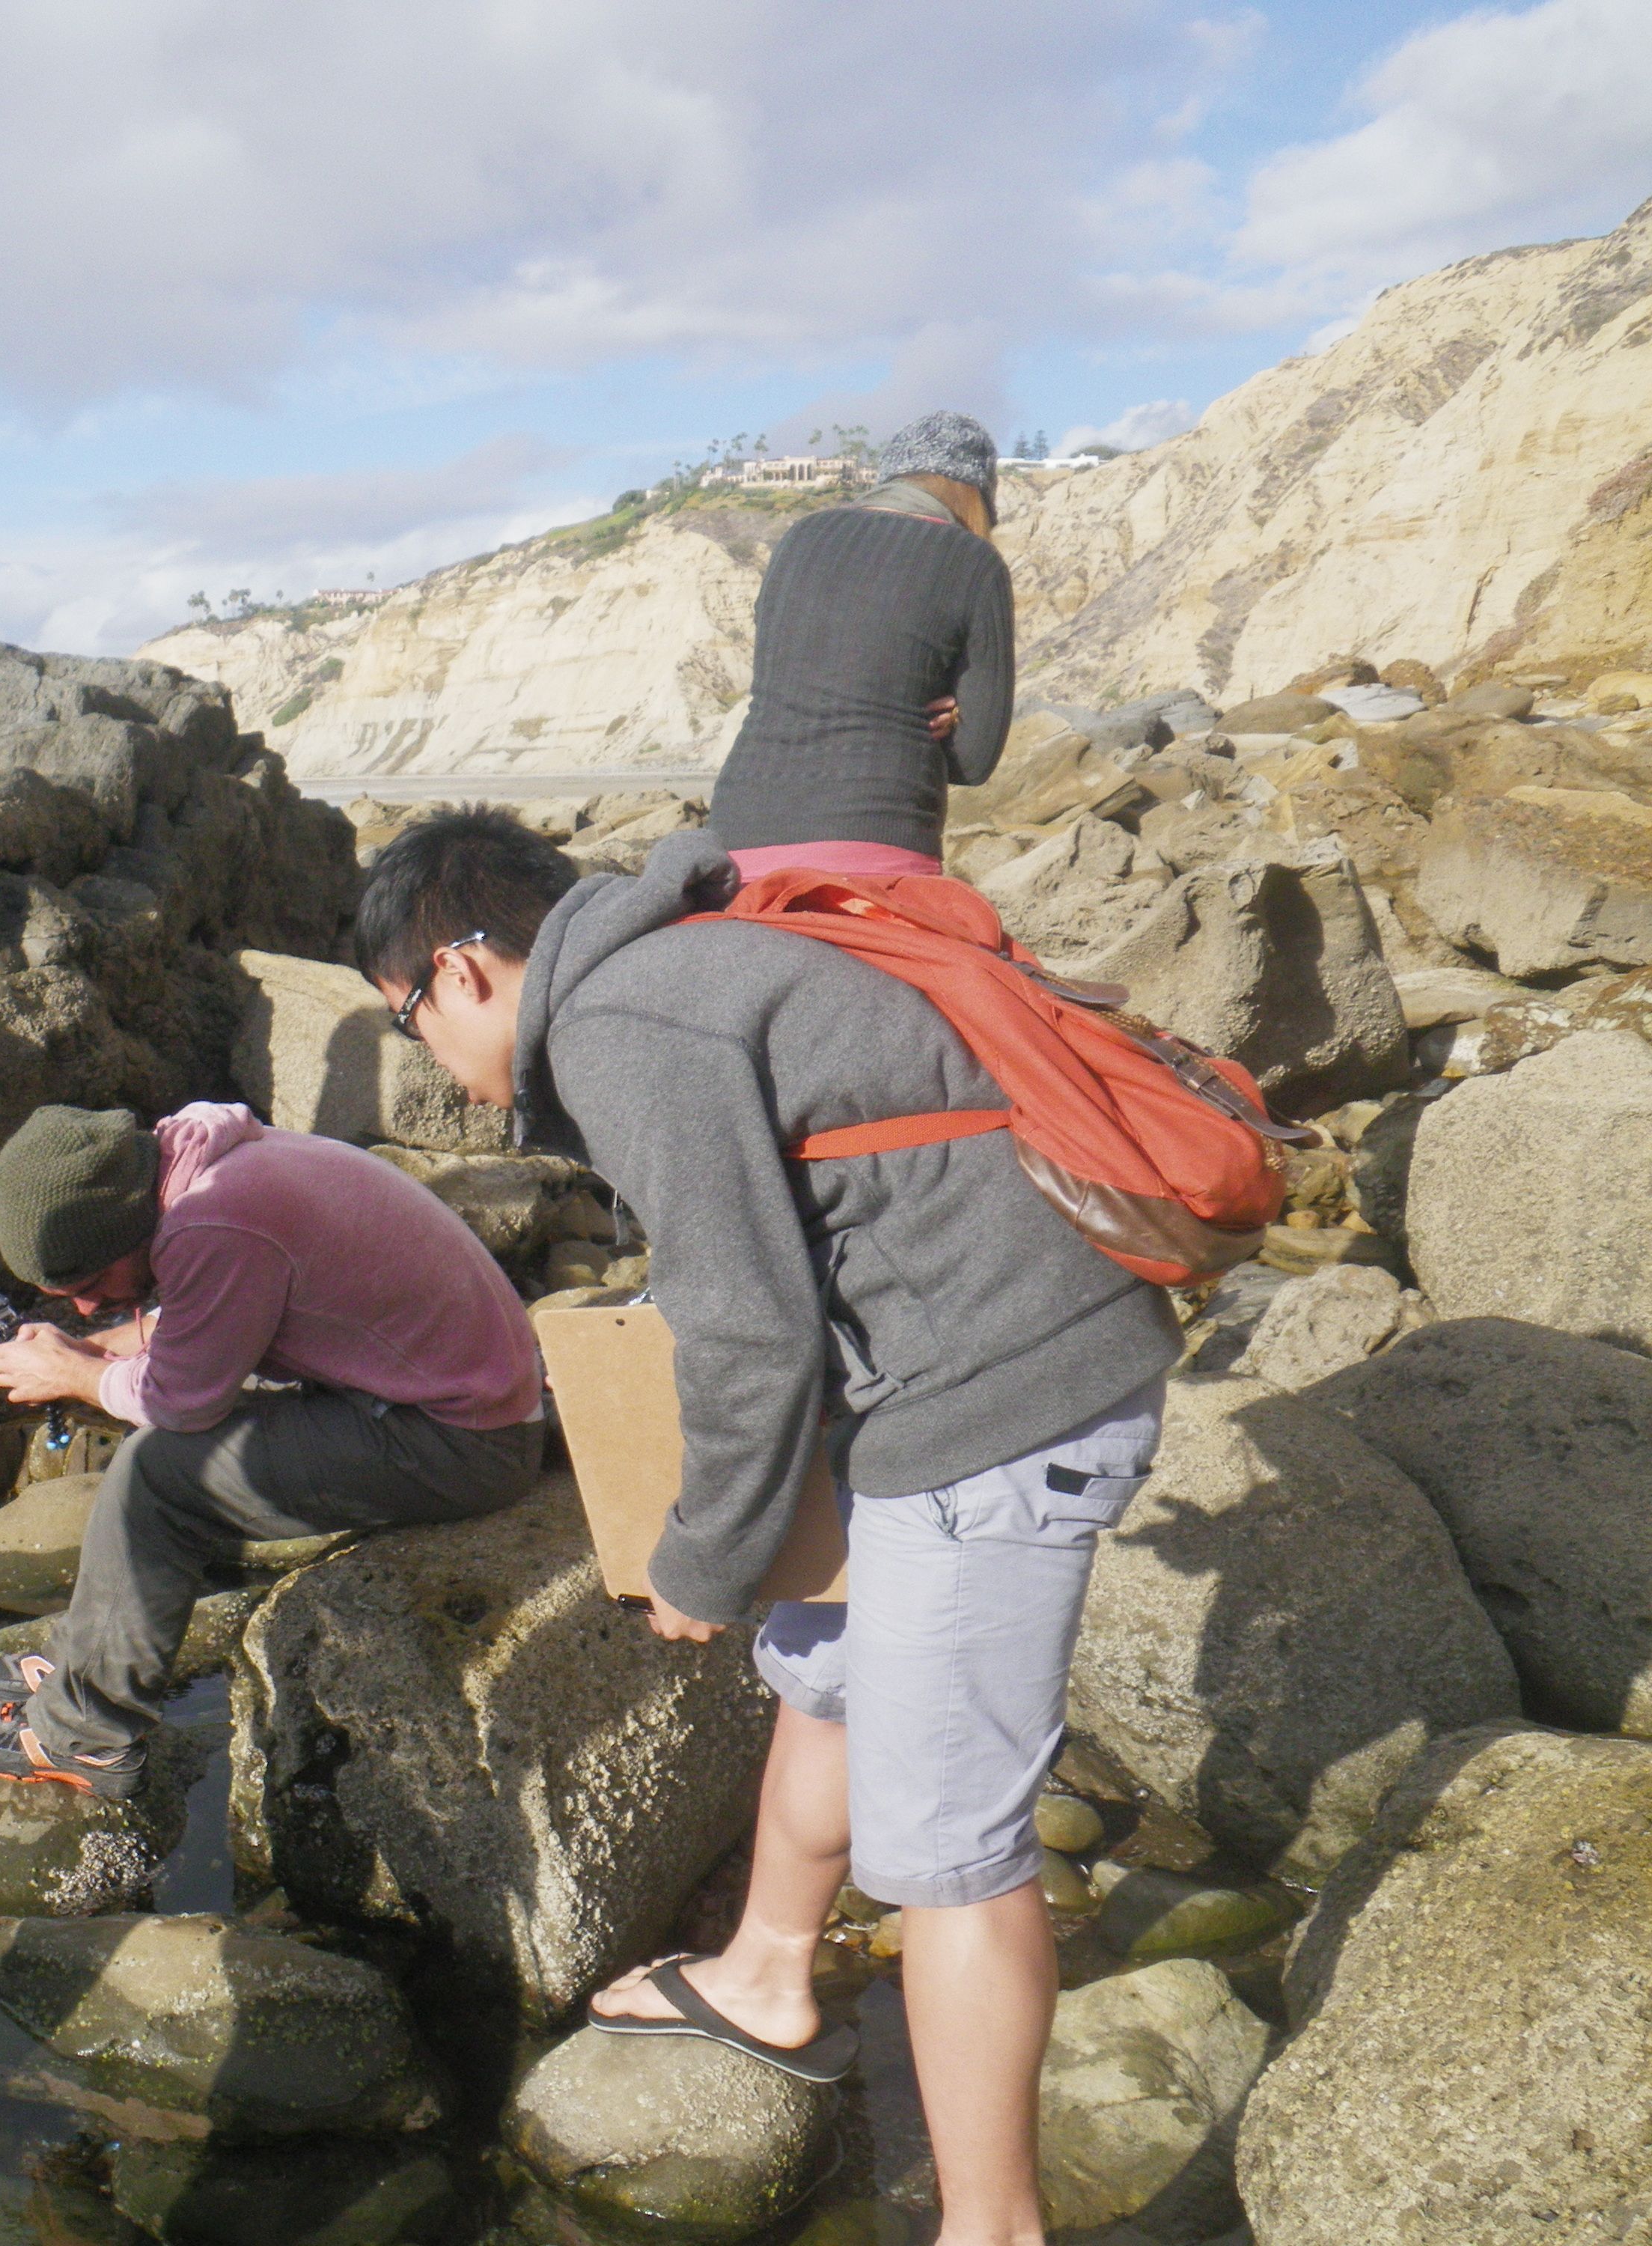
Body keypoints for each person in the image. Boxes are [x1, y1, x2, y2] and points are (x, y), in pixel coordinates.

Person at [354, 810, 1177, 2246]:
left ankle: (992, 2226)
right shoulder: (675, 960)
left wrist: (703, 1560)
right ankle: (766, 1971)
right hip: (942, 1373)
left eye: (405, 1020)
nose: (424, 1056)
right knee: (828, 1666)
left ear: (463, 970)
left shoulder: (624, 1021)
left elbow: (749, 1331)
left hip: (1004, 1395)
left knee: (951, 1854)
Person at [0, 1100, 549, 1796]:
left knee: (160, 1478)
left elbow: (181, 1401)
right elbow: (218, 1308)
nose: (86, 1309)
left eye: (88, 1288)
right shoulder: (203, 1163)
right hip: (444, 1399)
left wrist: (76, 1374)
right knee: (162, 1452)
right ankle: (83, 1670)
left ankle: (84, 1737)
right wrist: (93, 1354)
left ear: (128, 1227)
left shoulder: (216, 1222)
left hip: (465, 1444)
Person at [705, 410, 1014, 878]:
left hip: (738, 832)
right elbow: (973, 763)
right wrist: (934, 720)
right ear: (977, 494)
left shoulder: (799, 536)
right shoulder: (973, 560)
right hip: (876, 838)